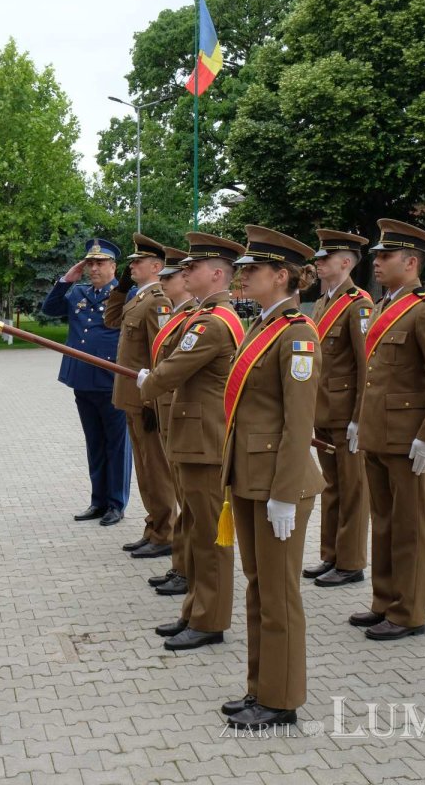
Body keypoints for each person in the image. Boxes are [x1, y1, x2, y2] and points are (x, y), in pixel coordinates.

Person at [218, 226, 323, 730]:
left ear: (281, 276)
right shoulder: (262, 326)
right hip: (249, 477)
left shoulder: (297, 333)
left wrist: (284, 494)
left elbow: (299, 422)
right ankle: (260, 686)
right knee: (259, 587)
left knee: (279, 594)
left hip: (279, 484)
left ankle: (281, 699)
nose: (242, 277)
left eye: (252, 270)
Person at [350, 219, 425, 641]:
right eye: (377, 255)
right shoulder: (383, 305)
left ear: (410, 262)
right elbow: (374, 376)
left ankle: (410, 611)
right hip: (380, 434)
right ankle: (385, 601)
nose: (376, 262)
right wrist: (361, 419)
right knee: (384, 522)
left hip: (410, 439)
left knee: (410, 526)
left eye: (385, 256)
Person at [139, 233, 245, 650]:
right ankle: (194, 611)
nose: (184, 274)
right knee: (198, 533)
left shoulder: (214, 323)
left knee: (210, 537)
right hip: (192, 437)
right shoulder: (202, 317)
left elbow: (172, 370)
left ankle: (210, 619)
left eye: (192, 268)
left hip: (205, 441)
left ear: (216, 274)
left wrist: (150, 382)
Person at [40, 239, 131, 526]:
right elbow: (49, 309)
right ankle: (98, 501)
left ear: (113, 266)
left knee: (116, 446)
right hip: (82, 380)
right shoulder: (78, 292)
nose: (94, 268)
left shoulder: (126, 295)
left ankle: (116, 504)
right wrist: (68, 278)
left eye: (100, 263)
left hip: (110, 381)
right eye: (90, 263)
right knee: (95, 443)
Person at [305, 230, 373, 587]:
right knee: (331, 486)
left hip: (346, 412)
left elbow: (365, 366)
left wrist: (359, 418)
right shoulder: (322, 303)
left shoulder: (358, 305)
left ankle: (351, 560)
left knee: (352, 489)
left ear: (345, 263)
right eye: (317, 259)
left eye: (324, 259)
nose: (317, 264)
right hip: (323, 409)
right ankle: (330, 554)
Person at [103, 234, 176, 548]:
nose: (131, 266)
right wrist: (120, 289)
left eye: (138, 262)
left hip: (146, 400)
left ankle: (165, 533)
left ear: (156, 266)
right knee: (144, 470)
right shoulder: (137, 297)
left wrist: (154, 401)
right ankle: (153, 528)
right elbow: (110, 320)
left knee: (155, 468)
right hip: (130, 398)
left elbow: (161, 354)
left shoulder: (158, 301)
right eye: (131, 262)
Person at [132, 245, 194, 593]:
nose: (166, 282)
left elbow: (167, 367)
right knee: (181, 496)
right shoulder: (184, 317)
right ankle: (181, 566)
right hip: (171, 411)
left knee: (189, 501)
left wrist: (150, 394)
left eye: (172, 276)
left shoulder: (202, 321)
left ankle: (185, 567)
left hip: (183, 417)